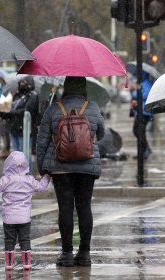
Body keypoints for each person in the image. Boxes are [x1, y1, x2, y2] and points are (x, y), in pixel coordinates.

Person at [36, 76, 105, 267]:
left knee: (65, 208)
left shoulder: (53, 108)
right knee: (84, 207)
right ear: (84, 87)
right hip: (87, 166)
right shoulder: (92, 107)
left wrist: (42, 167)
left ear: (65, 87)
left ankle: (66, 253)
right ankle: (84, 253)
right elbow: (102, 133)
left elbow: (41, 141)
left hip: (60, 167)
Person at [0, 151, 50, 270]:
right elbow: (41, 187)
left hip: (9, 218)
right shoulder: (29, 180)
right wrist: (48, 176)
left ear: (8, 164)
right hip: (24, 217)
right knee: (25, 240)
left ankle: (9, 264)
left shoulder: (6, 180)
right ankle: (27, 263)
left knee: (9, 240)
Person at [0, 77, 39, 172]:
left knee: (24, 155)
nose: (21, 85)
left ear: (29, 84)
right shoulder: (17, 95)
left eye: (24, 83)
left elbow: (28, 110)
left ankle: (27, 176)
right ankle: (18, 175)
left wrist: (11, 112)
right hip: (14, 128)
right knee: (15, 155)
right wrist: (3, 111)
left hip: (24, 130)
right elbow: (10, 107)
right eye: (20, 83)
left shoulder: (33, 96)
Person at [129, 74, 154, 159]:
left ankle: (146, 149)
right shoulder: (142, 83)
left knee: (138, 130)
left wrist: (134, 92)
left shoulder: (146, 83)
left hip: (144, 112)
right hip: (140, 111)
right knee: (138, 131)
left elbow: (145, 94)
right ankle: (143, 151)